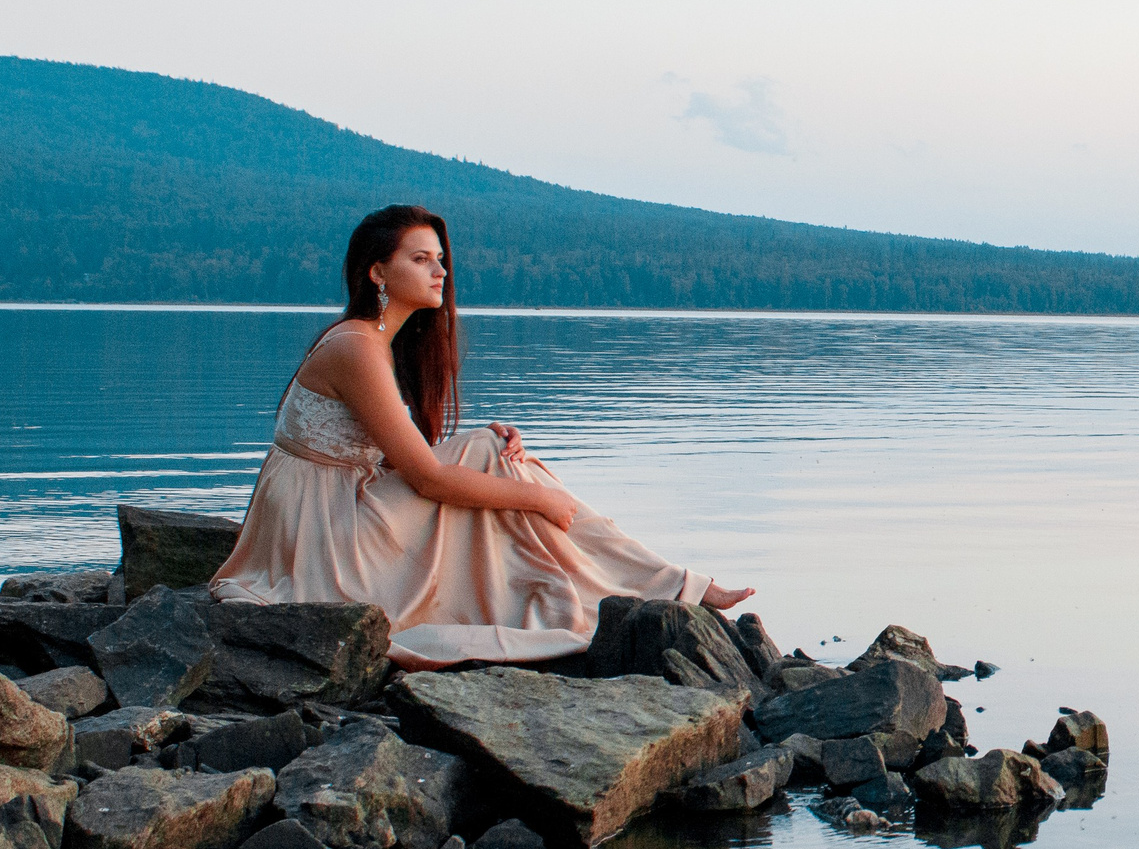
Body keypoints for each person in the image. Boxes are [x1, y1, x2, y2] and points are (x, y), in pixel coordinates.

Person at [211, 203, 750, 667]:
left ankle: (662, 587)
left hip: (333, 512)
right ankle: (668, 589)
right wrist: (539, 499)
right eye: (420, 259)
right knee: (510, 477)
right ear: (377, 272)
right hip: (323, 542)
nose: (439, 271)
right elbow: (427, 478)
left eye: (440, 259)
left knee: (492, 450)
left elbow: (405, 458)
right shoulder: (356, 347)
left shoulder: (371, 341)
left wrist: (492, 448)